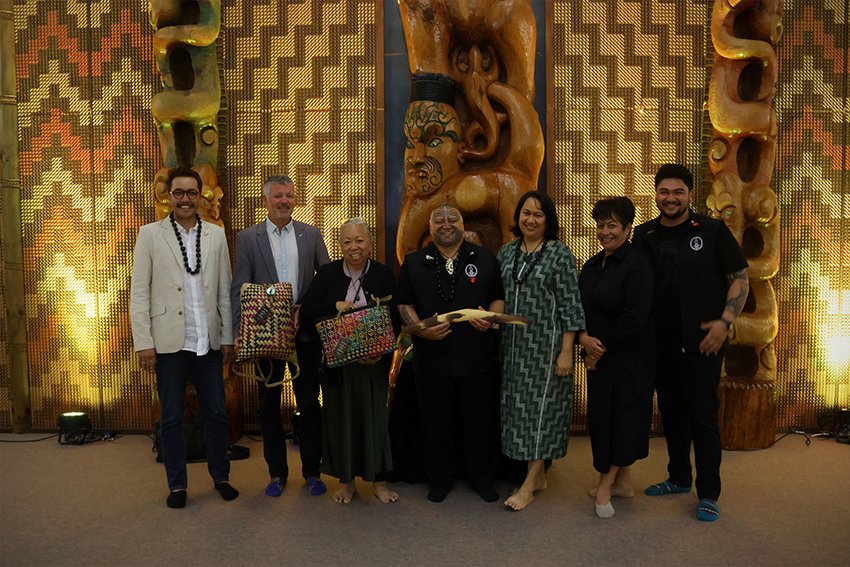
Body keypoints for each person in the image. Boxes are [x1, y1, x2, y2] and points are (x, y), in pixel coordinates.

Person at [633, 164, 749, 522]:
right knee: (671, 413)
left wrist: (725, 322)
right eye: (664, 192)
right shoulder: (644, 234)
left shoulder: (712, 231)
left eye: (677, 192)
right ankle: (679, 477)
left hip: (704, 342)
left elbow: (740, 278)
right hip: (659, 343)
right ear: (656, 194)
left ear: (689, 195)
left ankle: (709, 492)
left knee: (702, 416)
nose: (670, 198)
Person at [130, 167, 238, 509]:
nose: (186, 199)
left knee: (217, 414)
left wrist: (228, 337)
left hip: (207, 342)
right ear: (168, 196)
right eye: (179, 193)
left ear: (200, 195)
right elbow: (139, 295)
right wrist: (144, 342)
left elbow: (224, 292)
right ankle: (177, 484)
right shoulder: (149, 235)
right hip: (168, 344)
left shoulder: (216, 235)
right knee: (172, 417)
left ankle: (221, 476)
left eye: (192, 193)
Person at [396, 203, 505, 503]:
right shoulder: (414, 262)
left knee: (480, 424)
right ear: (430, 228)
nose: (446, 224)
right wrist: (420, 329)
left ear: (463, 224)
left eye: (453, 218)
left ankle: (482, 479)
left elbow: (498, 298)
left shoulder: (485, 258)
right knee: (435, 425)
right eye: (439, 220)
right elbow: (403, 305)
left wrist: (492, 320)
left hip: (478, 359)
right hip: (432, 360)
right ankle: (440, 480)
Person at [231, 174, 331, 497]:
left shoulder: (311, 234)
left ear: (294, 199)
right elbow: (240, 289)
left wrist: (309, 310)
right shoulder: (248, 238)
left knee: (309, 404)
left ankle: (313, 472)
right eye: (277, 196)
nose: (284, 201)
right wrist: (238, 332)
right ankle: (277, 474)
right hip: (265, 335)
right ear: (266, 200)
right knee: (268, 406)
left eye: (289, 195)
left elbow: (326, 280)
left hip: (305, 335)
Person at [300, 218, 398, 504]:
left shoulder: (381, 274)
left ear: (369, 243)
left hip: (374, 364)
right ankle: (347, 482)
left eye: (359, 241)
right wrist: (335, 305)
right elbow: (307, 312)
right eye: (347, 242)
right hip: (338, 366)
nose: (354, 247)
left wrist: (381, 351)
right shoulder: (328, 274)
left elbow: (395, 317)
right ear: (340, 245)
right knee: (341, 419)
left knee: (374, 420)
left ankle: (379, 481)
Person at [497, 191, 585, 511]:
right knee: (518, 415)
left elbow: (571, 307)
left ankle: (529, 486)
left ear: (548, 220)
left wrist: (566, 352)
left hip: (546, 347)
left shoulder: (560, 254)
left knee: (543, 415)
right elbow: (497, 294)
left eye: (538, 215)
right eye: (526, 213)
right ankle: (538, 476)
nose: (530, 220)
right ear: (517, 216)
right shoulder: (506, 252)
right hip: (511, 349)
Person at [578, 197, 655, 519]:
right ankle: (623, 481)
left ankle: (605, 485)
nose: (604, 232)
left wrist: (599, 347)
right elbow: (579, 310)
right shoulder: (592, 265)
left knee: (620, 421)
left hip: (628, 357)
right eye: (600, 225)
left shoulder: (637, 265)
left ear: (627, 228)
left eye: (612, 225)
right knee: (602, 419)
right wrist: (585, 342)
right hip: (597, 355)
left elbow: (634, 318)